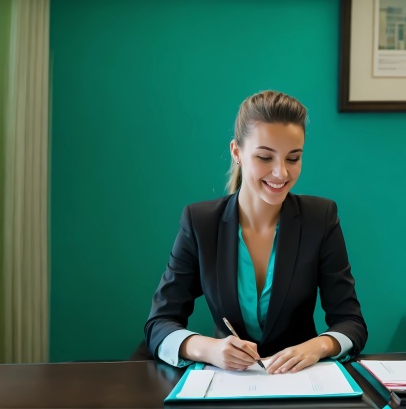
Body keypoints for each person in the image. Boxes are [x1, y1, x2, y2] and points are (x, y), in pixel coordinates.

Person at [145, 90, 368, 374]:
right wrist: (208, 348)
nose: (281, 173)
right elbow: (158, 324)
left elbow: (352, 322)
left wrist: (317, 346)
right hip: (227, 385)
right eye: (265, 157)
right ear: (237, 152)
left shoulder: (320, 219)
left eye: (293, 158)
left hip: (300, 385)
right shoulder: (200, 222)